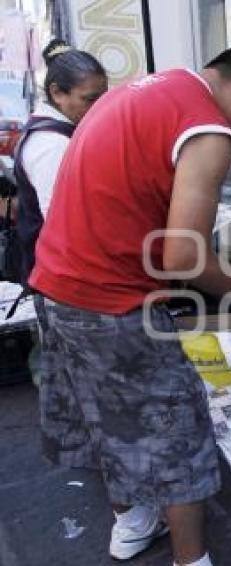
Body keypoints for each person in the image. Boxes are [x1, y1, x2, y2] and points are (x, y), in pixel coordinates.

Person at [29, 41, 231, 566]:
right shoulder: (210, 129)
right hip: (108, 299)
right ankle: (193, 560)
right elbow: (183, 256)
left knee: (102, 417)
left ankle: (133, 524)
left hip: (56, 285)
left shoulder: (151, 88)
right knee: (179, 430)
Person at [12, 39, 106, 381]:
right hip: (63, 283)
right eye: (89, 99)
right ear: (57, 93)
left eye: (102, 97)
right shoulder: (52, 144)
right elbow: (66, 222)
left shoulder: (56, 132)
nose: (96, 108)